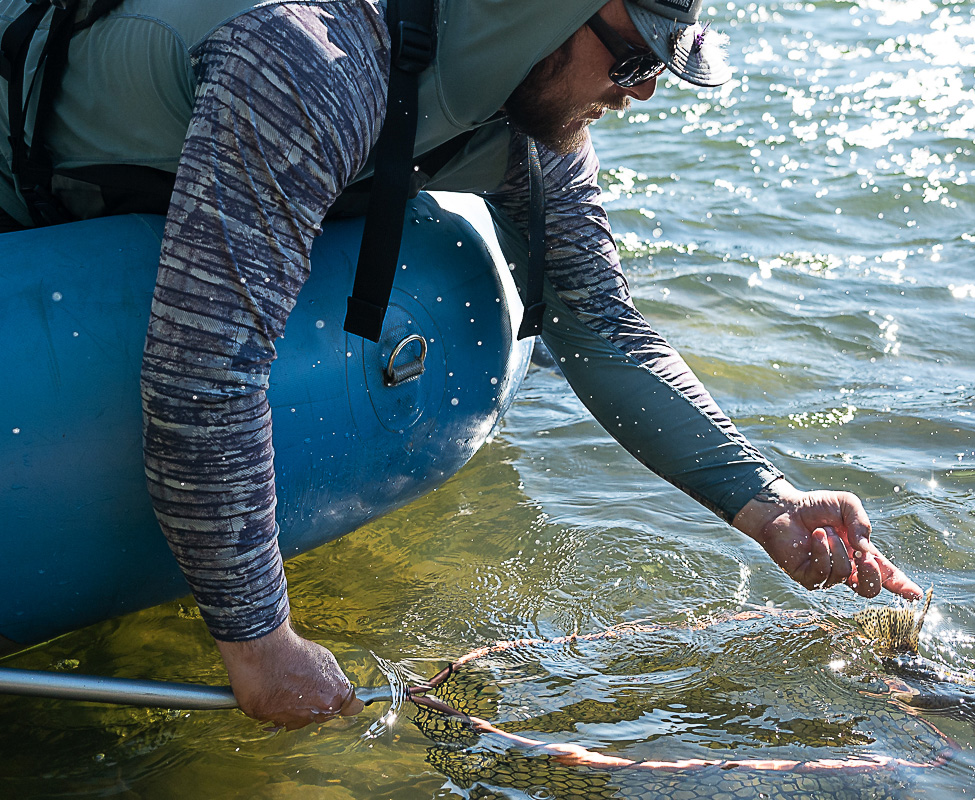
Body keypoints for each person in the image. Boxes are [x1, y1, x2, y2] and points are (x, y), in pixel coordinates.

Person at [0, 0, 921, 730]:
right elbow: (205, 375)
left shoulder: (533, 128)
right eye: (634, 59)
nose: (642, 93)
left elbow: (601, 327)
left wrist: (763, 503)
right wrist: (258, 639)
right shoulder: (309, 60)